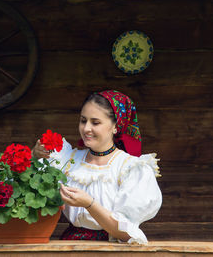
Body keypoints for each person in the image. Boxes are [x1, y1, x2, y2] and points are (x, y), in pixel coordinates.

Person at [32, 90, 162, 244]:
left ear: (115, 126)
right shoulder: (68, 159)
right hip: (69, 246)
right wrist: (35, 155)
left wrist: (89, 204)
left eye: (95, 122)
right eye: (83, 120)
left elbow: (127, 235)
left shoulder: (130, 168)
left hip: (110, 249)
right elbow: (22, 181)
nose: (86, 128)